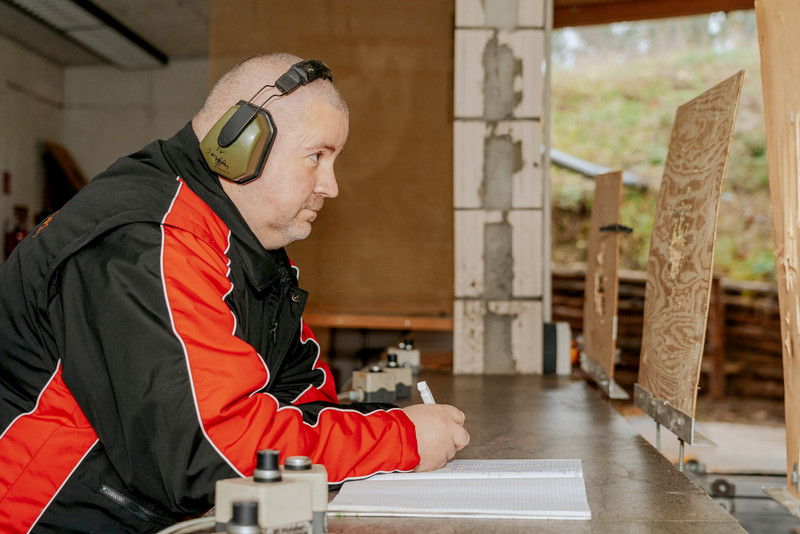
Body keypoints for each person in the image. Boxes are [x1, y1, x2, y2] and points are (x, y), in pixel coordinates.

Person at [0, 52, 469, 533]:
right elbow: (208, 450)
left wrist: (394, 423)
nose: (331, 185)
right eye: (317, 156)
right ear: (243, 143)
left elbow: (299, 397)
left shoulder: (239, 245)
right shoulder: (149, 240)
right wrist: (400, 439)